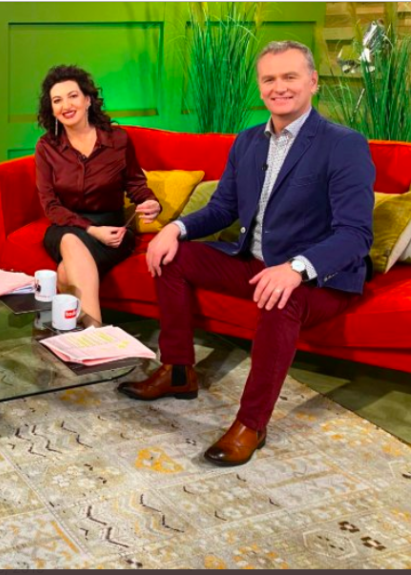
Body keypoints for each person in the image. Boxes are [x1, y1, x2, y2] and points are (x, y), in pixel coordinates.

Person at [121, 41, 375, 466]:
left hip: (318, 279)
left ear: (312, 82)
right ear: (260, 88)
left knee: (282, 295)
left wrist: (296, 268)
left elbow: (355, 234)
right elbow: (223, 208)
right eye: (270, 79)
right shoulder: (247, 142)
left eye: (290, 77)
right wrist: (176, 229)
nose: (279, 87)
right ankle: (179, 371)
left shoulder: (343, 144)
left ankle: (251, 424)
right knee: (173, 256)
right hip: (252, 261)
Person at [35, 65, 161, 326]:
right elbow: (50, 205)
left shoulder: (118, 140)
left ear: (88, 99)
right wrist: (92, 230)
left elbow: (136, 184)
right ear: (52, 109)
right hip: (66, 225)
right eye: (57, 100)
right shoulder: (47, 147)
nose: (66, 105)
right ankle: (96, 332)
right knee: (70, 241)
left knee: (65, 272)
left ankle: (69, 334)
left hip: (112, 230)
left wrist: (150, 202)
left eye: (73, 96)